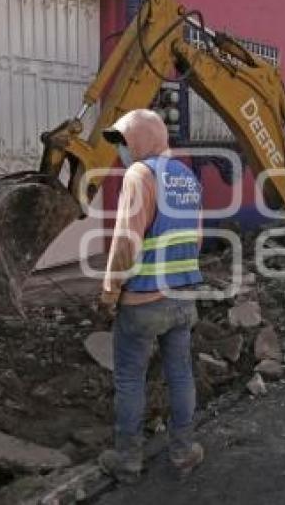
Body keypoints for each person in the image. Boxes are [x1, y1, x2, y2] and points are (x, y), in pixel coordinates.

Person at [97, 109, 204, 483]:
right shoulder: (187, 177)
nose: (123, 151)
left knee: (130, 380)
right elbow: (197, 239)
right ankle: (183, 451)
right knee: (180, 373)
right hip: (183, 297)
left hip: (143, 301)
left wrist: (110, 292)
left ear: (142, 138)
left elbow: (126, 243)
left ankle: (127, 460)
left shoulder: (141, 174)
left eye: (125, 141)